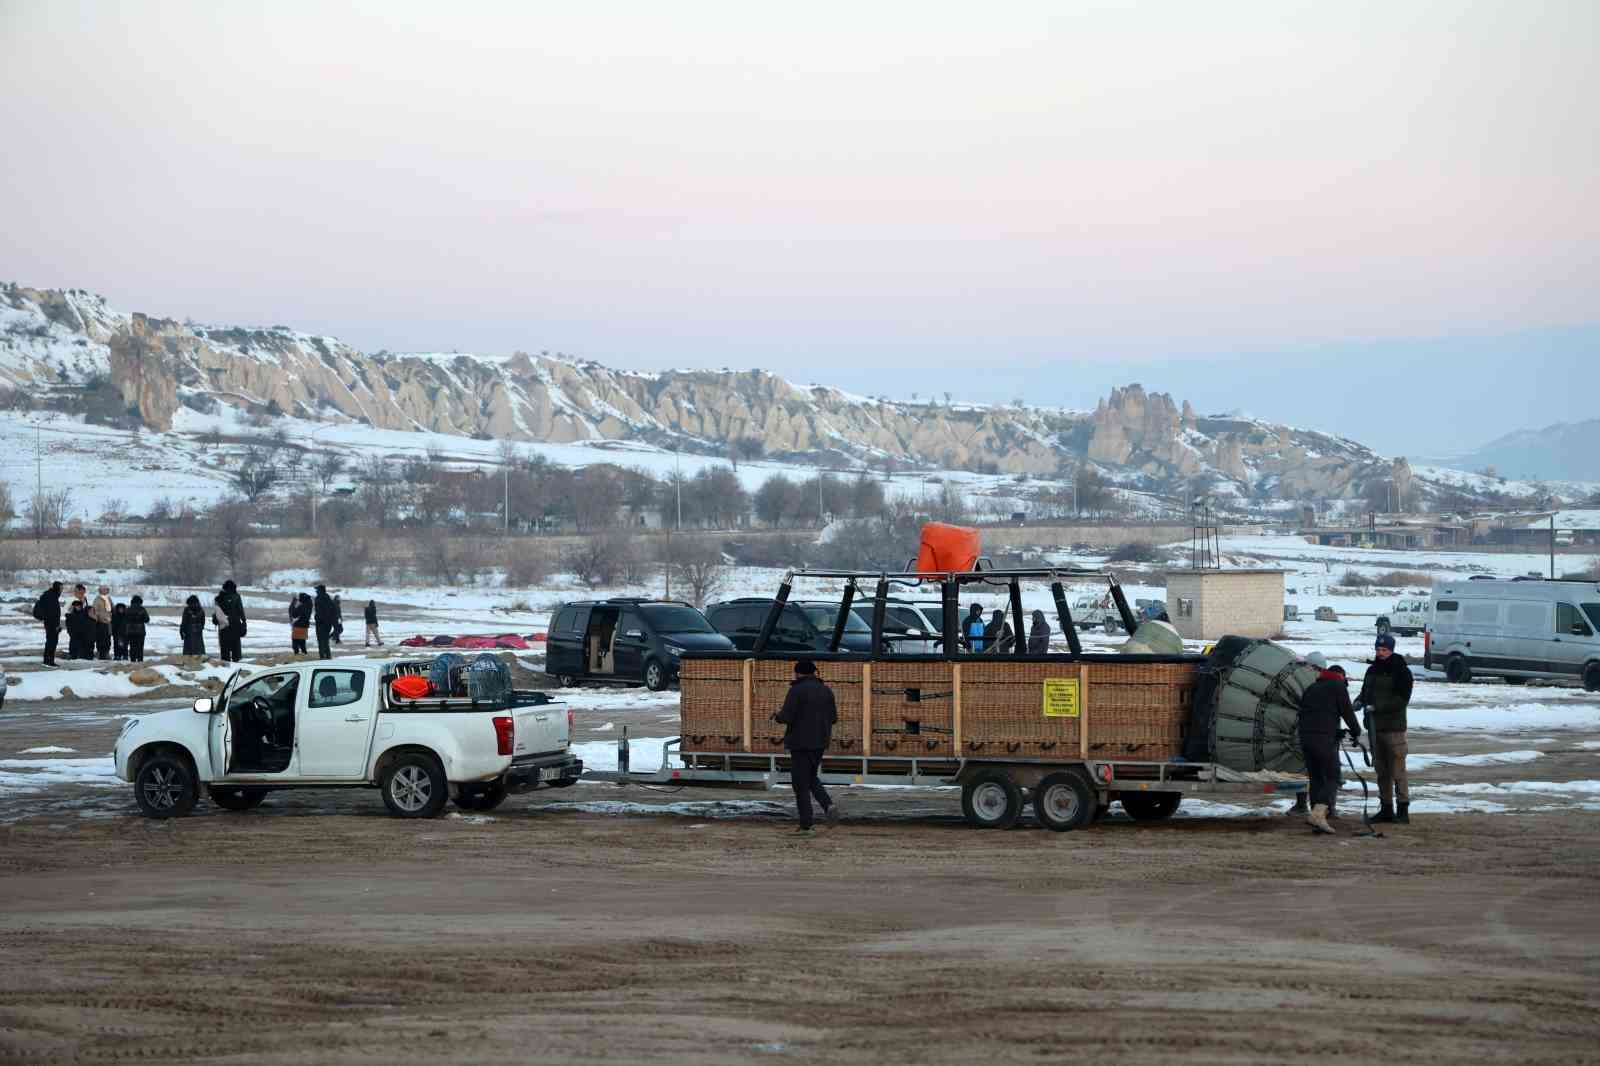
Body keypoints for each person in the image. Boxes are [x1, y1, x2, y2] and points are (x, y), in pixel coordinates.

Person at [773, 659, 839, 832]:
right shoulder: (826, 690)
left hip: (800, 743)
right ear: (813, 672)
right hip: (820, 742)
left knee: (800, 783)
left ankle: (806, 825)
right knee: (810, 777)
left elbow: (786, 716)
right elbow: (833, 718)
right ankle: (828, 805)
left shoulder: (796, 690)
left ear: (798, 673)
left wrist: (777, 715)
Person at [1357, 632, 1414, 824]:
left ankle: (1403, 809)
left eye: (1384, 650)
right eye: (1378, 649)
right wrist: (1359, 701)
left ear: (1391, 650)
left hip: (1393, 729)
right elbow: (1365, 692)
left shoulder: (1401, 671)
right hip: (1375, 729)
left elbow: (1402, 700)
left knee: (1397, 770)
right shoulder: (1372, 670)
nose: (1380, 653)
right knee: (1382, 771)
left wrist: (1377, 707)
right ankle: (1386, 808)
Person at [1297, 662, 1361, 834]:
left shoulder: (1312, 688)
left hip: (1305, 737)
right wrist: (1356, 731)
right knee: (1333, 777)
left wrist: (1335, 731)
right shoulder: (1338, 686)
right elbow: (1347, 711)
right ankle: (1318, 815)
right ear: (1341, 677)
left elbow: (1315, 714)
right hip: (1323, 739)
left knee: (1317, 778)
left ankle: (1316, 816)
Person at [214, 579, 247, 663]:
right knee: (236, 648)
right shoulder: (236, 597)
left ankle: (226, 665)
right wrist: (244, 622)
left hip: (224, 626)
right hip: (235, 625)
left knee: (225, 649)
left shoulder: (219, 598)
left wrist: (215, 620)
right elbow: (240, 610)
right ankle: (236, 662)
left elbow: (217, 612)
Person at [31, 581, 63, 666]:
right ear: (57, 588)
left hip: (49, 623)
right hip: (51, 624)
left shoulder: (50, 595)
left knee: (50, 641)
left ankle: (48, 660)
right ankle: (49, 661)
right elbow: (53, 613)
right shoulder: (52, 597)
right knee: (52, 642)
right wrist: (56, 625)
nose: (62, 590)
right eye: (61, 588)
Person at [313, 584, 337, 660]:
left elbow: (319, 612)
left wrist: (317, 618)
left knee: (321, 641)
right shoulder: (329, 599)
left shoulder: (318, 598)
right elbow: (333, 611)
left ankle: (322, 657)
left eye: (317, 590)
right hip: (328, 623)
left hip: (321, 623)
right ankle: (328, 656)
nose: (316, 591)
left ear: (320, 591)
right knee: (325, 640)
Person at [125, 595, 150, 662]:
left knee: (132, 647)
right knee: (140, 647)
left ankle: (132, 660)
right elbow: (147, 619)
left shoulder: (128, 609)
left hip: (130, 631)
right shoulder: (142, 609)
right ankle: (140, 660)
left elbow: (125, 619)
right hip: (140, 631)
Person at [92, 585, 113, 660]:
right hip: (101, 622)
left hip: (108, 622)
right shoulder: (97, 600)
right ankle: (101, 654)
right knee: (101, 639)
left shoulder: (108, 599)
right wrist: (100, 618)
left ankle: (106, 653)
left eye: (107, 590)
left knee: (108, 639)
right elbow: (95, 611)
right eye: (104, 590)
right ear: (100, 591)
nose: (106, 591)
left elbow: (112, 608)